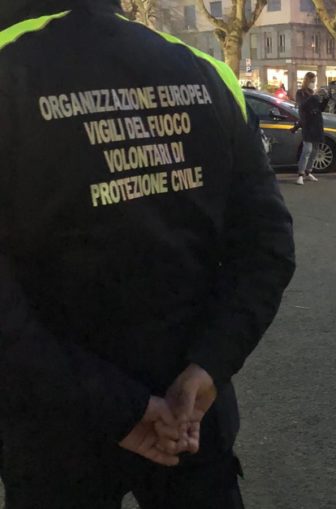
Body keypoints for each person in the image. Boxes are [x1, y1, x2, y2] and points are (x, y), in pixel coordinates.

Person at [0, 2, 296, 508]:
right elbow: (266, 244)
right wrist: (210, 364)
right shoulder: (207, 73)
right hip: (190, 410)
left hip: (54, 423)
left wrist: (118, 405)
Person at [294, 72, 329, 186]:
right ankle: (300, 174)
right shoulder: (300, 93)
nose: (313, 83)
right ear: (307, 81)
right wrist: (314, 96)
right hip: (307, 124)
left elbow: (320, 108)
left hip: (317, 124)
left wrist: (326, 98)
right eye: (312, 81)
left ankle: (308, 171)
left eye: (314, 81)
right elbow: (302, 105)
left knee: (315, 150)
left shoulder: (314, 93)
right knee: (307, 150)